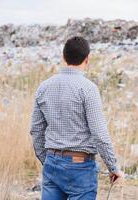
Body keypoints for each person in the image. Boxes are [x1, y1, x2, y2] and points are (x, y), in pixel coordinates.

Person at [30, 36, 122, 200]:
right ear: (87, 59)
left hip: (51, 163)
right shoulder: (88, 89)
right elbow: (99, 134)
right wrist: (113, 167)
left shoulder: (43, 87)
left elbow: (36, 130)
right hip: (80, 168)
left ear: (64, 57)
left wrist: (47, 159)